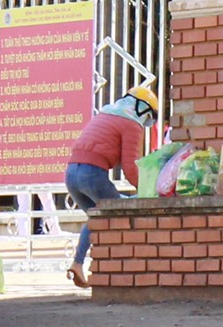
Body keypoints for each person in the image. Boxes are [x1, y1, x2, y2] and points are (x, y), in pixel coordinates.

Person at [63, 87, 157, 287]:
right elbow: (130, 167)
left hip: (71, 174)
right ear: (141, 108)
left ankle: (78, 263)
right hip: (92, 175)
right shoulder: (131, 123)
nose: (145, 122)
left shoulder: (105, 114)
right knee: (114, 214)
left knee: (97, 217)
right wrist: (147, 192)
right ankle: (117, 272)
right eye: (148, 116)